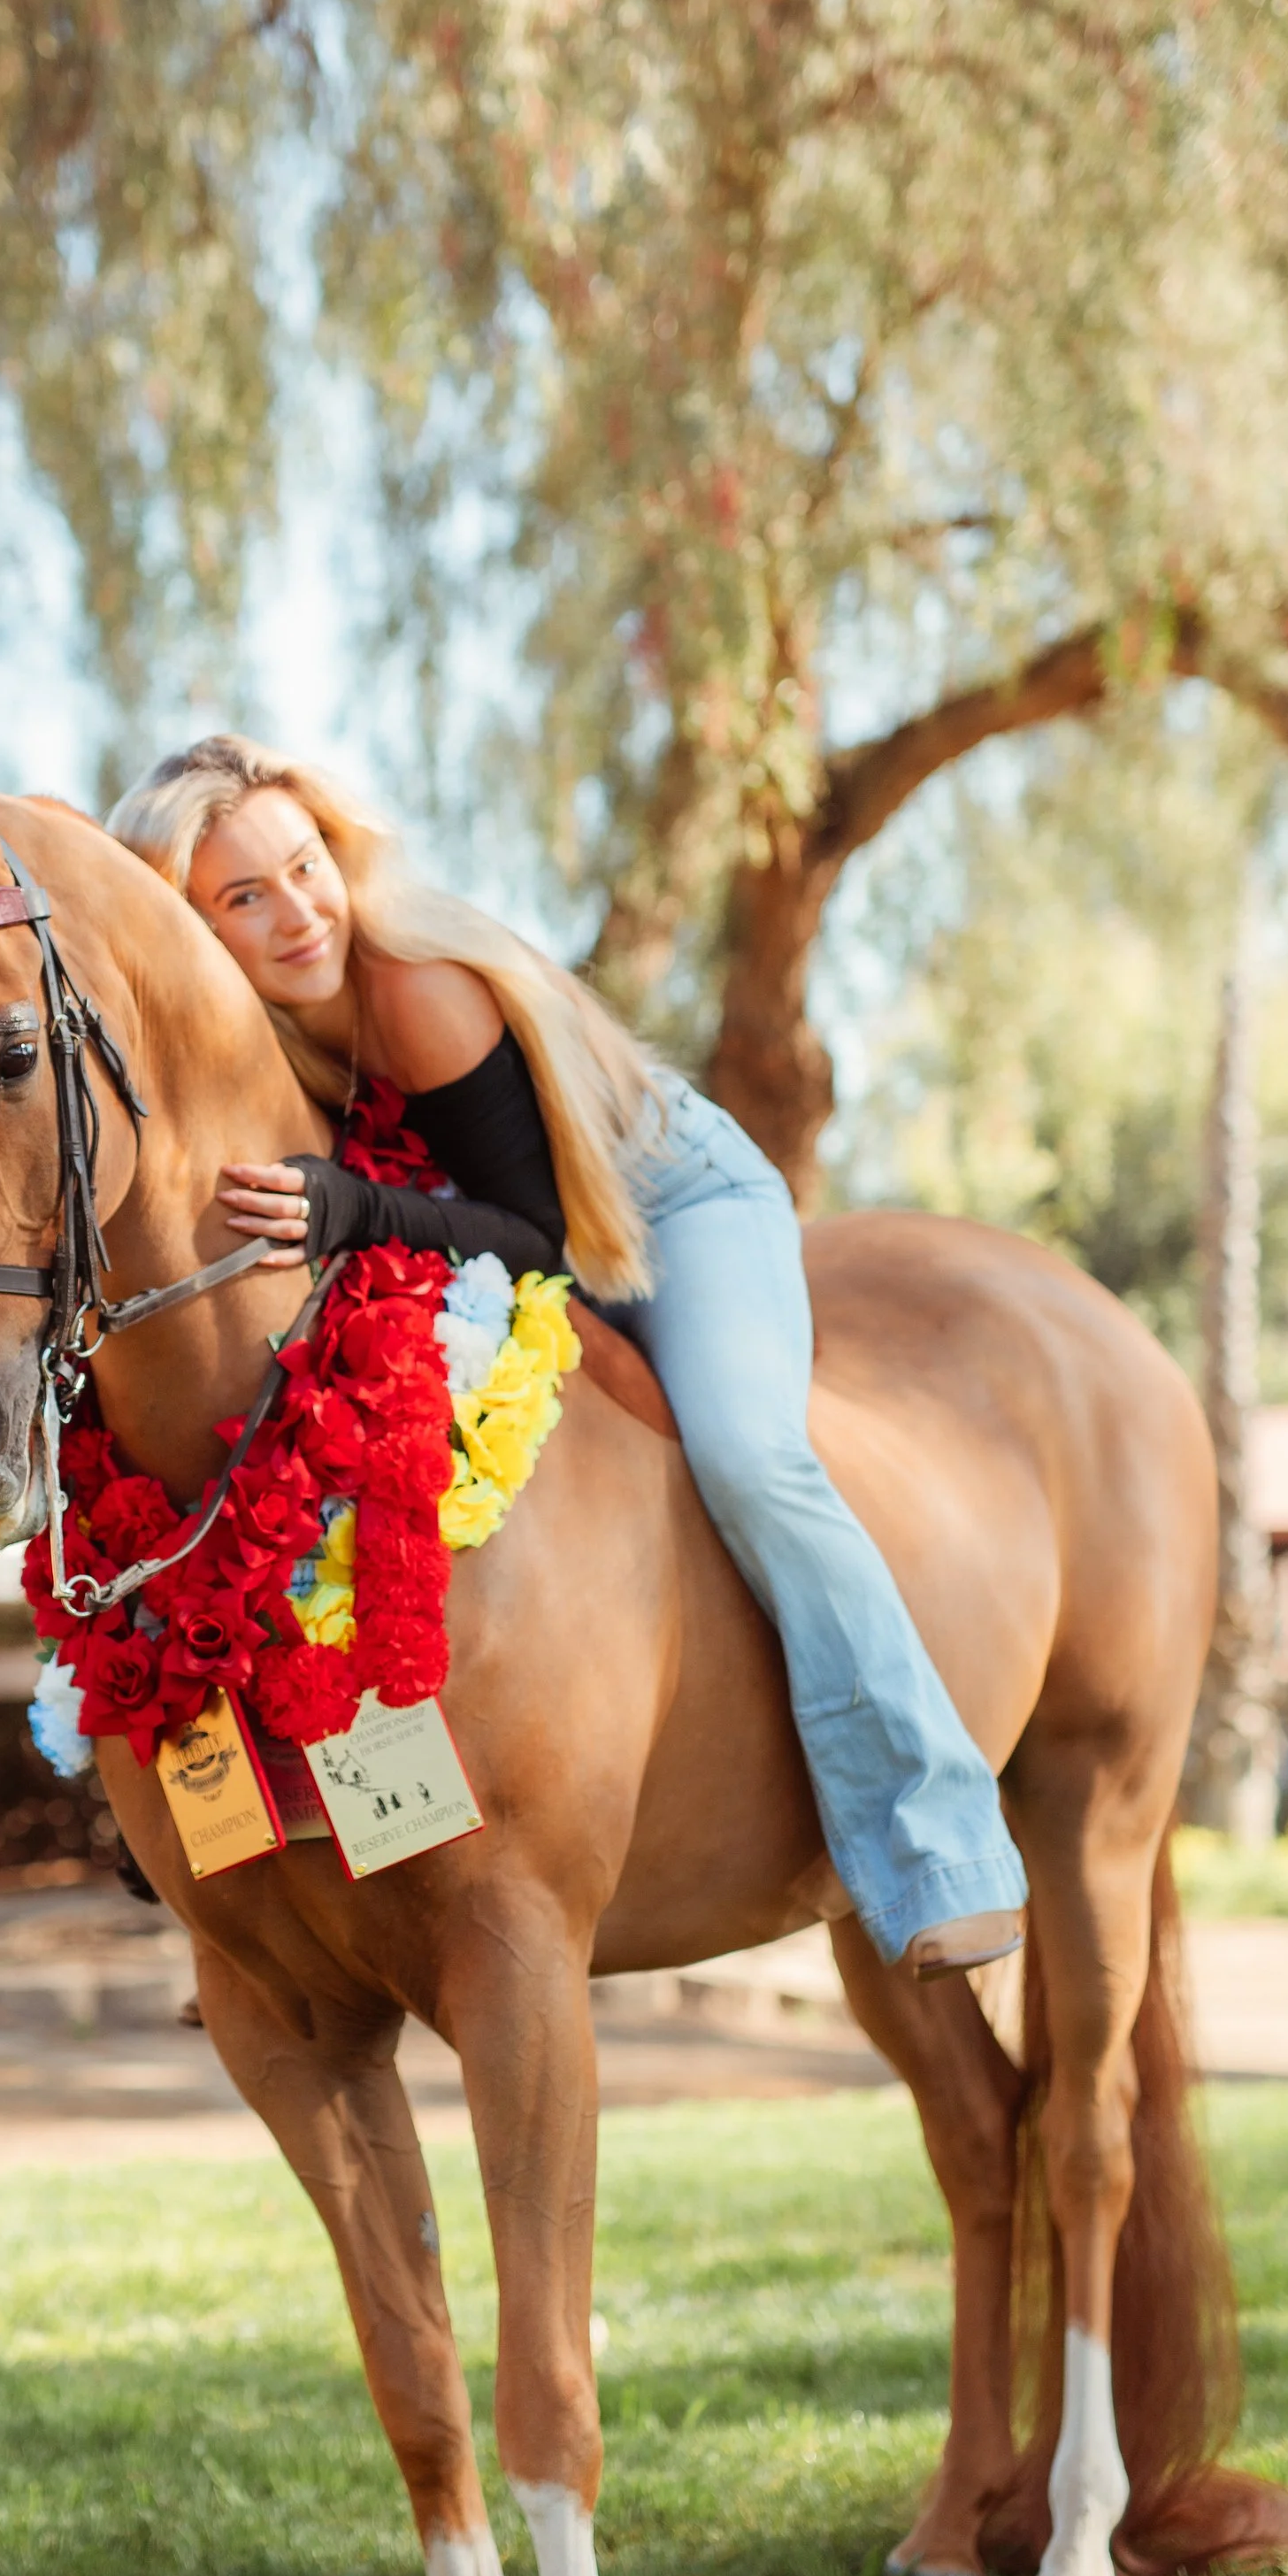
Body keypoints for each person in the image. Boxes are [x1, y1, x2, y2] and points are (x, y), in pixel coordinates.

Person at [104, 734, 1026, 1980]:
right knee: (297, 1462)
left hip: (659, 1212)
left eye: (306, 864)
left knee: (749, 1457)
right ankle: (261, 1885)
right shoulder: (236, 1039)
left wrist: (351, 1210)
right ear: (186, 922)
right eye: (245, 896)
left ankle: (939, 1843)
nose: (299, 911)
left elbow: (541, 1237)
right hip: (468, 1242)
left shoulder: (416, 986)